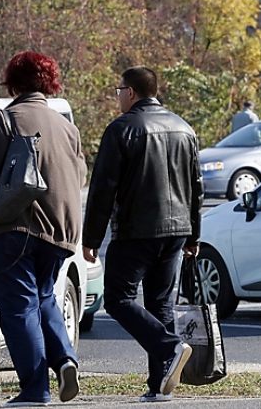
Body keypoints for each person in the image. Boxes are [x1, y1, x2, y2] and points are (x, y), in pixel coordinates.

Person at [0, 51, 87, 405]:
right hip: (60, 233)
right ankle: (65, 359)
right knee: (44, 296)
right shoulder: (67, 127)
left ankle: (36, 390)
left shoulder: (6, 120)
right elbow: (80, 175)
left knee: (19, 307)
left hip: (13, 229)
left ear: (14, 82)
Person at [82, 66, 203, 402]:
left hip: (137, 231)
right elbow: (196, 188)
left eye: (118, 90)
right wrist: (194, 234)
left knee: (118, 299)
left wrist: (91, 238)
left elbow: (103, 188)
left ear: (131, 92)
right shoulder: (184, 128)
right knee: (160, 303)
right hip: (177, 231)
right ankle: (159, 384)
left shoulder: (122, 129)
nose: (117, 96)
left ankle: (169, 347)